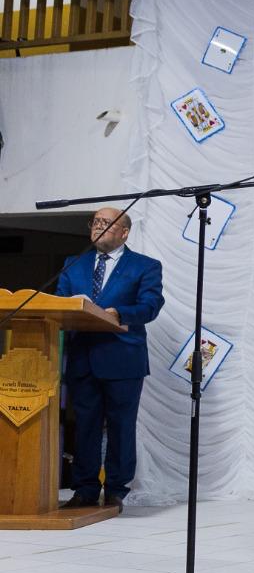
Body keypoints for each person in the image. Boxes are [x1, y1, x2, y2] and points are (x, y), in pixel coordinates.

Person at [58, 207, 164, 511]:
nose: (98, 227)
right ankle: (85, 490)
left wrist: (120, 313)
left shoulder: (145, 266)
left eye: (106, 223)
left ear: (124, 232)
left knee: (120, 425)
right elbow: (62, 299)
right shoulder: (73, 264)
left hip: (123, 357)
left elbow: (151, 304)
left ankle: (116, 489)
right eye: (96, 222)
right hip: (83, 357)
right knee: (86, 426)